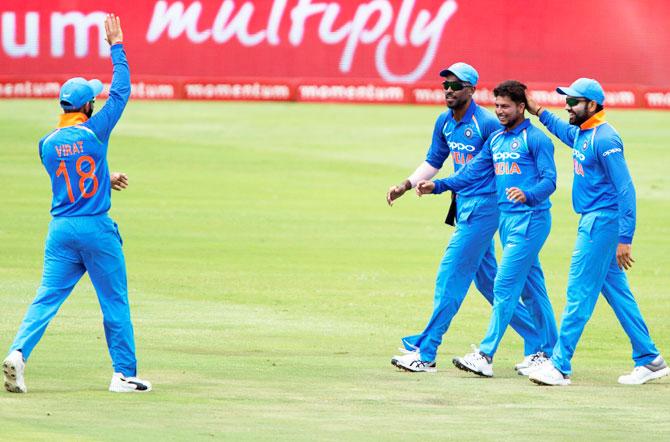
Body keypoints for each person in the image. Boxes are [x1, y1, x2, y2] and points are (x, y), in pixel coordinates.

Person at [2, 14, 151, 394]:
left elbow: (72, 171)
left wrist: (105, 176)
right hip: (95, 228)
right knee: (114, 300)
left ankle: (18, 353)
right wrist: (117, 46)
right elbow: (120, 92)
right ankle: (123, 374)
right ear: (86, 109)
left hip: (61, 231)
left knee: (45, 299)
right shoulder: (95, 131)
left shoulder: (46, 143)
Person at [388, 65, 545, 374]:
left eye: (456, 85)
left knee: (451, 277)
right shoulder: (444, 121)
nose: (448, 90)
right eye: (446, 84)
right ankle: (538, 340)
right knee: (487, 282)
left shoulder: (486, 122)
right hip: (465, 207)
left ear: (471, 90)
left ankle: (427, 351)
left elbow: (501, 160)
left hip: (486, 208)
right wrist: (406, 185)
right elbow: (435, 158)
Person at [523, 78, 668, 386]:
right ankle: (650, 358)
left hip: (602, 223)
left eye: (573, 101)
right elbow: (566, 132)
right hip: (594, 221)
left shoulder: (606, 138)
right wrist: (538, 111)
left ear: (591, 105)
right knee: (617, 293)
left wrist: (625, 238)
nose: (568, 106)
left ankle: (559, 365)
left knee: (579, 292)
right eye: (567, 100)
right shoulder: (584, 133)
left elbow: (626, 189)